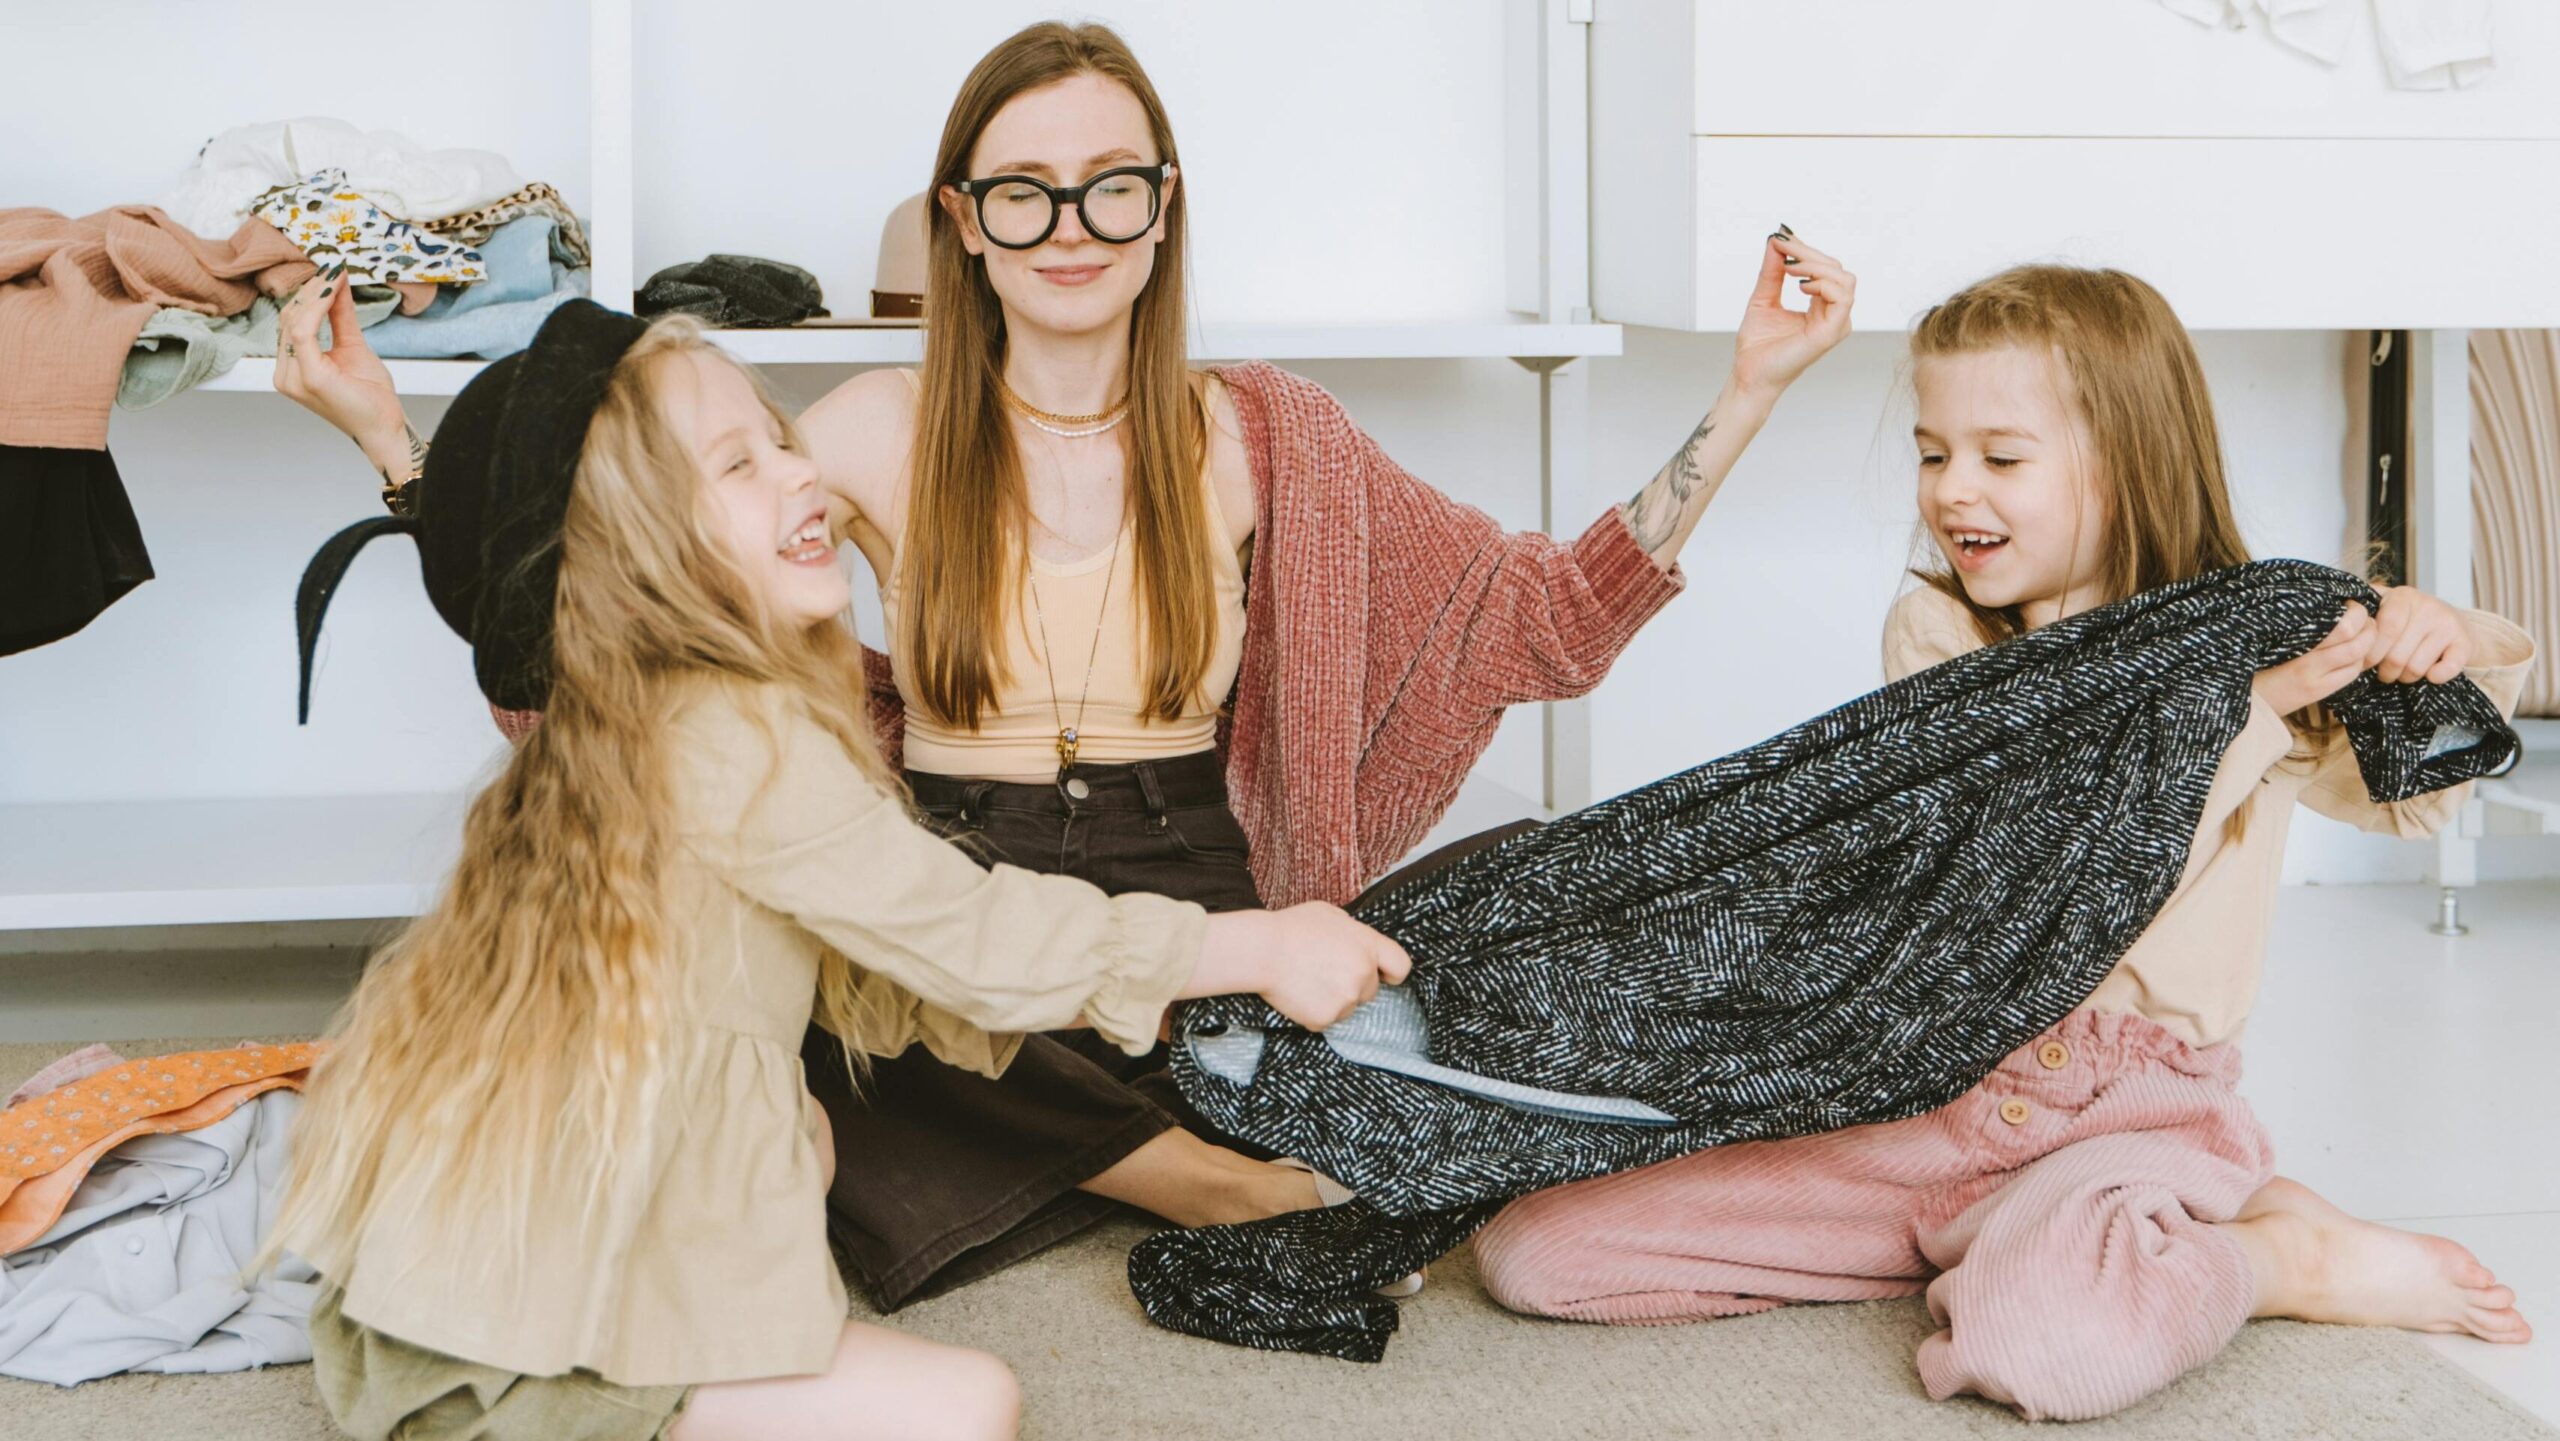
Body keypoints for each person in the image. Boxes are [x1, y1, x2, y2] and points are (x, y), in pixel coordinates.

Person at [273, 18, 1859, 1308]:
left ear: (1162, 209)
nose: (1070, 227)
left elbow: (1540, 618)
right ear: (962, 223)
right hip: (952, 897)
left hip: (1207, 882)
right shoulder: (872, 432)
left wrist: (1750, 391)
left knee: (1533, 913)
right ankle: (1188, 1165)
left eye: (1111, 186)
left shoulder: (1263, 435)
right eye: (1020, 191)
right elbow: (608, 609)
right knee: (817, 1008)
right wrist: (394, 452)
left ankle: (1149, 1113)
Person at [269, 299, 1408, 1440]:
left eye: (777, 440)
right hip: (510, 1362)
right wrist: (1252, 944)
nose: (798, 473)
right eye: (738, 464)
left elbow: (910, 976)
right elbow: (969, 933)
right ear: (638, 553)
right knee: (969, 1405)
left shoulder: (639, 720)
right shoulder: (731, 736)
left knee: (805, 1134)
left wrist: (1133, 999)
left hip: (442, 1305)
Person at [1469, 264, 2536, 1421]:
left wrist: (2432, 633)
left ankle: (2278, 1255)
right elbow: (2034, 856)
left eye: (2001, 457)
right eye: (1933, 453)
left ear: (2126, 459)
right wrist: (2240, 715)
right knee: (1540, 1252)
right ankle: (2008, 1241)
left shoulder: (2255, 641)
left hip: (2130, 1110)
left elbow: (2420, 800)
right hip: (1934, 1090)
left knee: (2046, 1352)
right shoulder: (1944, 634)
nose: (1951, 490)